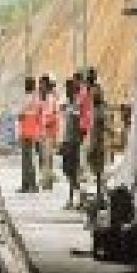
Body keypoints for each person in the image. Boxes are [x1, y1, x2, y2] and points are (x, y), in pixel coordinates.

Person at [60, 74, 83, 209]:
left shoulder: (77, 104)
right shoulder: (68, 104)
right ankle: (76, 195)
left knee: (72, 170)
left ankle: (74, 198)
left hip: (74, 142)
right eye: (67, 88)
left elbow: (80, 122)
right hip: (66, 140)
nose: (68, 91)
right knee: (67, 170)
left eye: (70, 88)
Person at [16, 77, 41, 193]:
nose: (26, 86)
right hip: (32, 131)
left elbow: (20, 115)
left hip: (27, 132)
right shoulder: (36, 99)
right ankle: (29, 184)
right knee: (29, 159)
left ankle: (28, 184)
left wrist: (22, 115)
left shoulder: (28, 98)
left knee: (27, 160)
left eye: (27, 84)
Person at [38, 74, 59, 190]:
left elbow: (54, 114)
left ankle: (47, 180)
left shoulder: (51, 97)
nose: (40, 86)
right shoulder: (43, 98)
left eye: (42, 84)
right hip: (42, 131)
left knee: (47, 156)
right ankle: (46, 178)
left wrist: (48, 124)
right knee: (44, 156)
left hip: (49, 131)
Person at [88, 83, 108, 205]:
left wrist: (94, 145)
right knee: (97, 171)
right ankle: (99, 194)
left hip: (98, 143)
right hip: (94, 141)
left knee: (99, 171)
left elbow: (101, 127)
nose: (93, 95)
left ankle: (101, 195)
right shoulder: (94, 108)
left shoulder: (100, 109)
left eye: (96, 93)